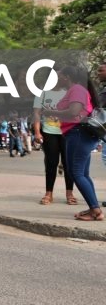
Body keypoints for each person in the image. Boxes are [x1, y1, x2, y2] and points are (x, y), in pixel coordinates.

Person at [45, 65, 102, 221]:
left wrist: (51, 112)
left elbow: (74, 111)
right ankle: (94, 208)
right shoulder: (77, 90)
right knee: (83, 174)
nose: (56, 79)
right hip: (78, 134)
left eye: (58, 76)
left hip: (78, 134)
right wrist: (59, 116)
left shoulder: (76, 89)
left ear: (66, 77)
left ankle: (95, 210)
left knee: (76, 173)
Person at [33, 81, 76, 206]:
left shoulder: (69, 92)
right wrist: (37, 132)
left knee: (68, 164)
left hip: (67, 132)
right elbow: (36, 113)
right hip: (49, 132)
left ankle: (69, 193)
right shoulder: (42, 93)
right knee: (51, 163)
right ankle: (49, 193)